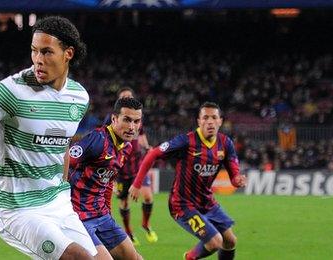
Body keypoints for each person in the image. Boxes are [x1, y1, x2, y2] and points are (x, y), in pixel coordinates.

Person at [0, 16, 97, 259]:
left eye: (47, 52)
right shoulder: (11, 91)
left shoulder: (79, 97)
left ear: (68, 54)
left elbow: (63, 143)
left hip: (57, 203)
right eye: (34, 51)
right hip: (15, 208)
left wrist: (63, 187)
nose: (38, 60)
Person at [129, 102, 247, 260]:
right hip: (182, 204)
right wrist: (137, 184)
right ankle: (189, 257)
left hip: (206, 202)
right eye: (205, 117)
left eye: (214, 117)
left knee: (230, 241)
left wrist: (237, 179)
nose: (210, 121)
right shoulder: (186, 141)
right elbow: (153, 154)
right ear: (199, 121)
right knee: (215, 241)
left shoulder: (225, 143)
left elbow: (234, 175)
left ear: (220, 121)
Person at [68, 97, 144, 260]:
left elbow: (108, 183)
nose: (132, 127)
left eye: (136, 121)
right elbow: (64, 160)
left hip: (101, 215)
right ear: (114, 119)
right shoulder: (97, 140)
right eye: (127, 120)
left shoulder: (127, 147)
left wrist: (108, 212)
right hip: (78, 215)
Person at [106, 87, 157, 245]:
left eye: (130, 96)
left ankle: (145, 224)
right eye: (124, 97)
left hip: (137, 167)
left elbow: (141, 136)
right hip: (121, 171)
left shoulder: (137, 120)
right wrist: (110, 177)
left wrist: (147, 147)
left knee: (148, 196)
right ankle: (128, 231)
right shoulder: (111, 121)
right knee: (124, 203)